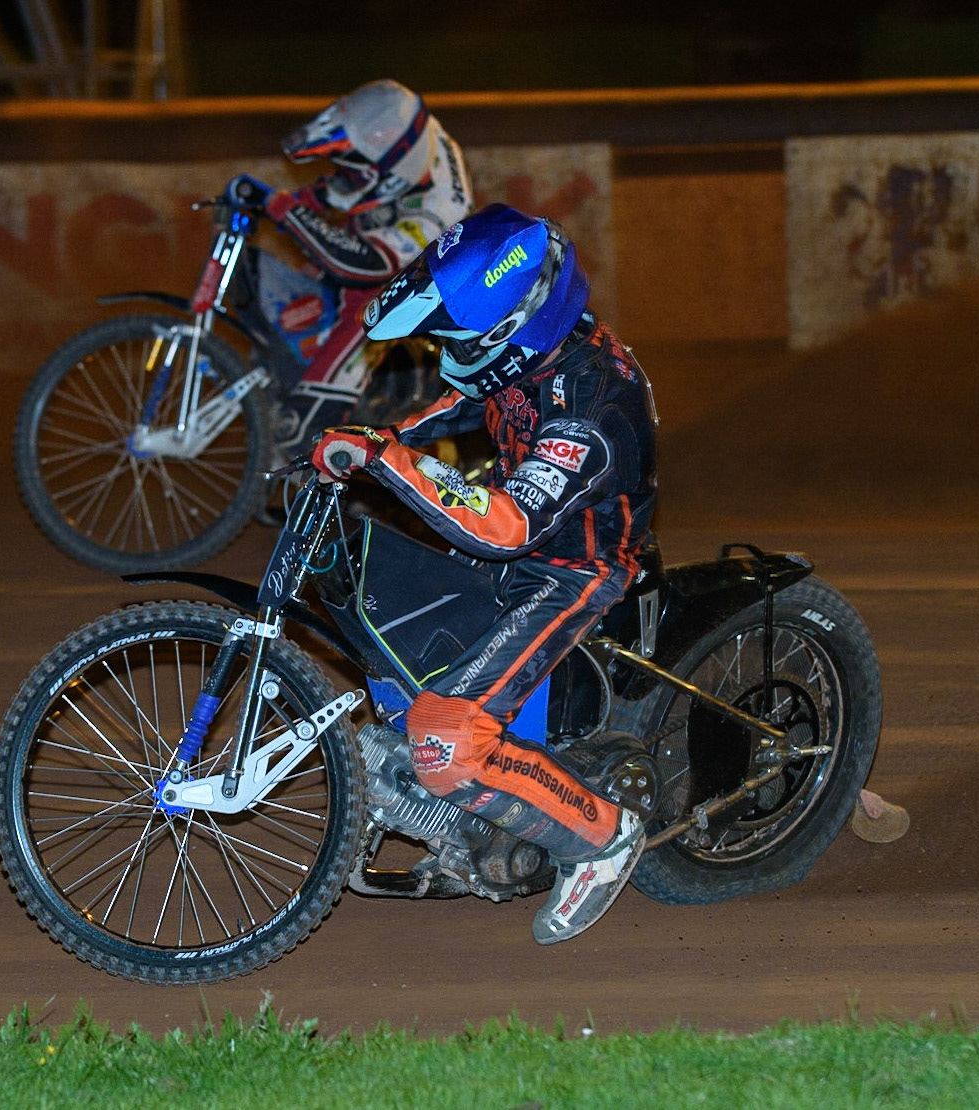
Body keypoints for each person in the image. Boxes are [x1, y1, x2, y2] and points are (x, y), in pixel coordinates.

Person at [309, 204, 659, 945]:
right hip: (524, 540)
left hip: (573, 568)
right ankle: (464, 807)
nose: (444, 348)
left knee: (444, 736)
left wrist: (390, 461)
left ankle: (601, 837)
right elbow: (463, 401)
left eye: (456, 337)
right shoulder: (533, 353)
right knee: (397, 641)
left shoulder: (591, 406)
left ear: (510, 329)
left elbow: (507, 529)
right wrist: (376, 438)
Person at [221, 79, 473, 455]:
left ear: (392, 169)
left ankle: (316, 420)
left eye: (356, 170)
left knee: (367, 300)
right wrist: (294, 201)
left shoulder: (438, 211)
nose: (346, 176)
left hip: (413, 280)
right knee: (316, 282)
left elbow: (361, 265)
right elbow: (348, 186)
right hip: (387, 235)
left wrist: (282, 208)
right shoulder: (402, 128)